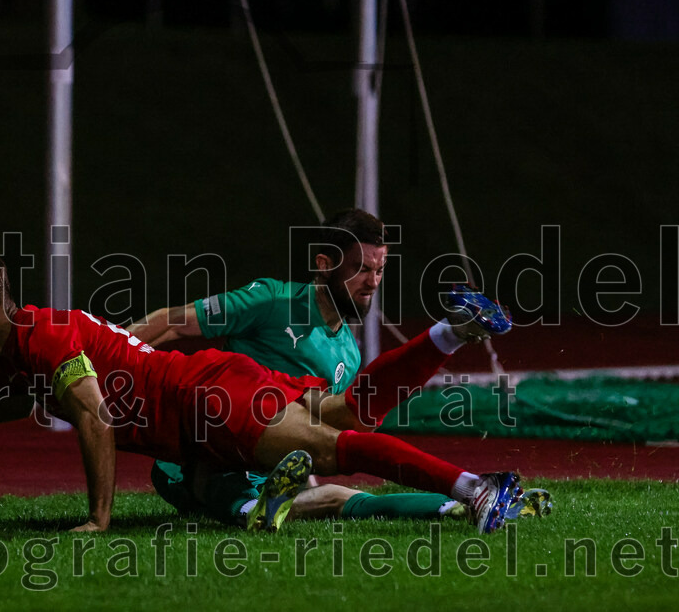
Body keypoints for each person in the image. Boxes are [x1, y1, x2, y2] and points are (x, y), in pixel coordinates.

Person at [0, 240, 526, 534]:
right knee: (331, 435)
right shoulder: (23, 350)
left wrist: (99, 517)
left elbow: (92, 416)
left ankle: (477, 488)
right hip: (208, 403)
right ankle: (448, 336)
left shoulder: (44, 334)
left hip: (203, 402)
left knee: (336, 449)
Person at [127, 209, 550, 527]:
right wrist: (114, 363)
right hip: (206, 447)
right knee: (218, 477)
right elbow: (170, 321)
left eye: (380, 270)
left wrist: (306, 472)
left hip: (272, 455)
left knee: (338, 486)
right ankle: (250, 507)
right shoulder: (274, 301)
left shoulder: (347, 351)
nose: (372, 281)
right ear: (325, 264)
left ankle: (463, 503)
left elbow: (318, 428)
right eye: (361, 269)